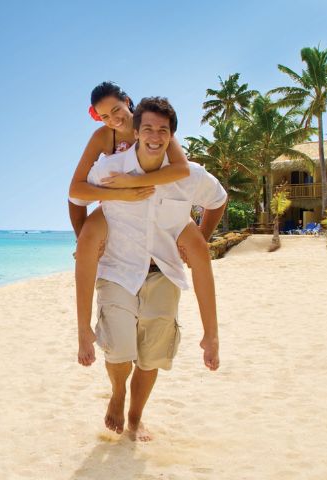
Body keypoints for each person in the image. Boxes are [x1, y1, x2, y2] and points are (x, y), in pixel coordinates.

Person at [70, 97, 226, 441]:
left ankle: (136, 417)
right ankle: (118, 393)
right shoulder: (110, 170)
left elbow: (218, 200)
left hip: (164, 272)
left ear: (171, 136)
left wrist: (200, 236)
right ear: (136, 133)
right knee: (119, 349)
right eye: (149, 129)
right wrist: (85, 236)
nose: (155, 136)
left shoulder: (190, 176)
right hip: (118, 271)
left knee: (151, 358)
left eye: (163, 130)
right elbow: (76, 196)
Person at [68, 83, 211, 367]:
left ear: (127, 101)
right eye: (104, 116)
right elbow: (76, 189)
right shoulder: (102, 136)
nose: (113, 120)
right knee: (87, 242)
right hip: (116, 205)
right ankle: (84, 331)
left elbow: (181, 168)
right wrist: (118, 196)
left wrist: (134, 182)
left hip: (155, 202)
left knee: (197, 247)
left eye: (116, 110)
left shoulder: (151, 127)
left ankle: (211, 335)